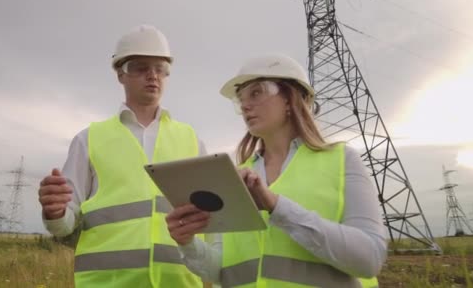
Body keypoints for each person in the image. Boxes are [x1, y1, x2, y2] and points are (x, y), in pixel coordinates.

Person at [165, 54, 387, 287]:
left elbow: (369, 259)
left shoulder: (342, 160)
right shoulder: (234, 177)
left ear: (291, 98)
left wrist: (277, 207)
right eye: (241, 98)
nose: (245, 105)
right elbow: (221, 270)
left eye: (257, 92)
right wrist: (187, 242)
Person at [38, 25, 208, 287]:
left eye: (160, 69)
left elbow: (214, 222)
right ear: (121, 74)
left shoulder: (192, 141)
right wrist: (55, 212)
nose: (153, 76)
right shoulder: (89, 139)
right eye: (141, 67)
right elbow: (64, 225)